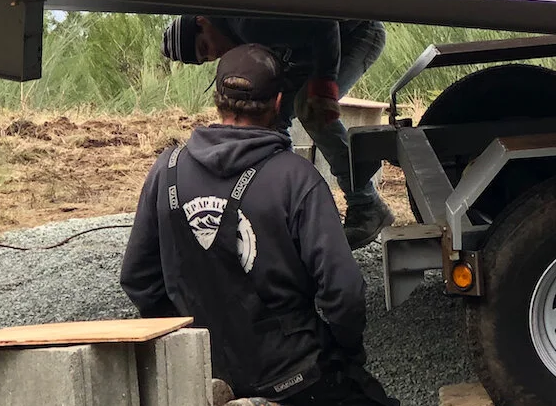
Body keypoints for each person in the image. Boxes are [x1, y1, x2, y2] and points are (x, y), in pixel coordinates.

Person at [121, 44, 410, 406]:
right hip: (293, 373)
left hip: (207, 368)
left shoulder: (165, 171)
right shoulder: (297, 179)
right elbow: (344, 291)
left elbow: (138, 279)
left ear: (216, 98)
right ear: (278, 103)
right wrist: (346, 353)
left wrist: (188, 347)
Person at [164, 13, 393, 248]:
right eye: (207, 58)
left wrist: (323, 86)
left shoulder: (247, 24)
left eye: (205, 46)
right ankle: (283, 208)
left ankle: (366, 204)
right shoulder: (237, 34)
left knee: (310, 109)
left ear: (203, 22)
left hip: (355, 35)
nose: (215, 54)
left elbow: (325, 27)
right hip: (315, 48)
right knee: (269, 118)